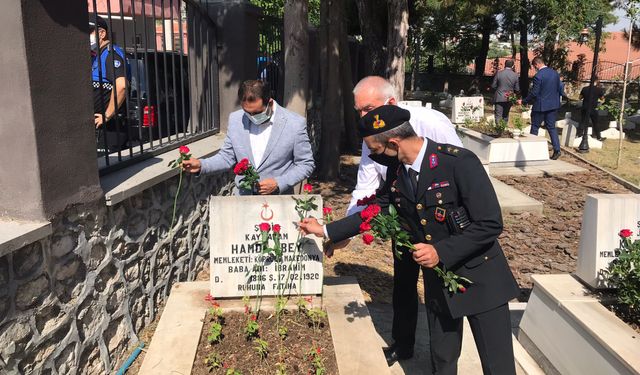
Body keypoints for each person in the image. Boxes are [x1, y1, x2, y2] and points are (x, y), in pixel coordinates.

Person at [300, 105, 519, 375]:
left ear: (393, 143)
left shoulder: (458, 162)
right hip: (439, 281)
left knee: (498, 366)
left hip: (481, 278)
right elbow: (376, 209)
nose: (375, 157)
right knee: (442, 361)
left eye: (376, 150)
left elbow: (490, 223)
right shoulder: (398, 170)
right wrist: (326, 230)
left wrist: (441, 252)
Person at [348, 76, 463, 366]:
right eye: (359, 110)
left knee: (439, 295)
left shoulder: (433, 122)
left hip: (439, 223)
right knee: (403, 287)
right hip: (402, 217)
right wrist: (348, 228)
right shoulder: (371, 135)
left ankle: (443, 361)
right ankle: (403, 344)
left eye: (368, 108)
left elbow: (462, 167)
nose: (364, 116)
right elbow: (367, 183)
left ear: (391, 103)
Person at [181, 80, 314, 195]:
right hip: (244, 199)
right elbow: (227, 157)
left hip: (277, 200)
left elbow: (306, 164)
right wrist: (201, 165)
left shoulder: (294, 124)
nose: (251, 116)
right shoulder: (236, 119)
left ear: (270, 102)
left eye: (257, 112)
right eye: (247, 112)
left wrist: (279, 182)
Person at [90, 16, 129, 153]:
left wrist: (107, 115)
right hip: (100, 129)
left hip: (110, 129)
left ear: (102, 33)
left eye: (89, 31)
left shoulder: (111, 54)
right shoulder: (97, 55)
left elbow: (122, 86)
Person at [519, 57, 562, 160]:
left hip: (540, 106)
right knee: (551, 127)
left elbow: (534, 92)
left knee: (535, 127)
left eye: (534, 67)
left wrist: (524, 101)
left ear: (537, 64)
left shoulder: (538, 75)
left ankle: (532, 150)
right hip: (553, 105)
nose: (535, 69)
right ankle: (557, 149)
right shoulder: (555, 73)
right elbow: (559, 88)